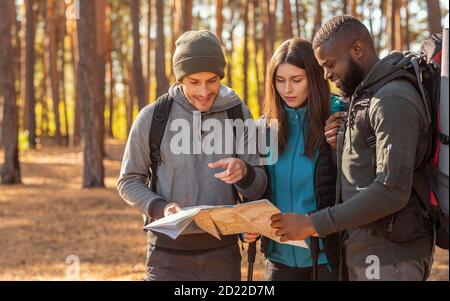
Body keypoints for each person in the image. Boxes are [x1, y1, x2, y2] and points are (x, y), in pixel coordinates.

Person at [271, 16, 435, 281]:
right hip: (366, 250)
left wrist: (313, 223)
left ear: (357, 50)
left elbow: (392, 190)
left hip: (390, 255)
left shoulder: (391, 99)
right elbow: (362, 174)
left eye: (330, 64)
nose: (325, 74)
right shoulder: (366, 96)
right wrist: (340, 147)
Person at [117, 30, 267, 281]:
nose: (205, 91)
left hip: (223, 254)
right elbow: (128, 180)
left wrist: (245, 172)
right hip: (166, 255)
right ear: (179, 79)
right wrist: (162, 208)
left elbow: (260, 185)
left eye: (212, 80)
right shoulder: (153, 117)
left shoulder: (239, 114)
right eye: (194, 82)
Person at [244, 38, 345, 281]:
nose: (287, 89)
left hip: (325, 259)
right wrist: (249, 227)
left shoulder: (340, 118)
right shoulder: (263, 129)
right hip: (278, 259)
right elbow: (258, 189)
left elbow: (353, 190)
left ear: (315, 77)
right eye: (280, 80)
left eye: (296, 80)